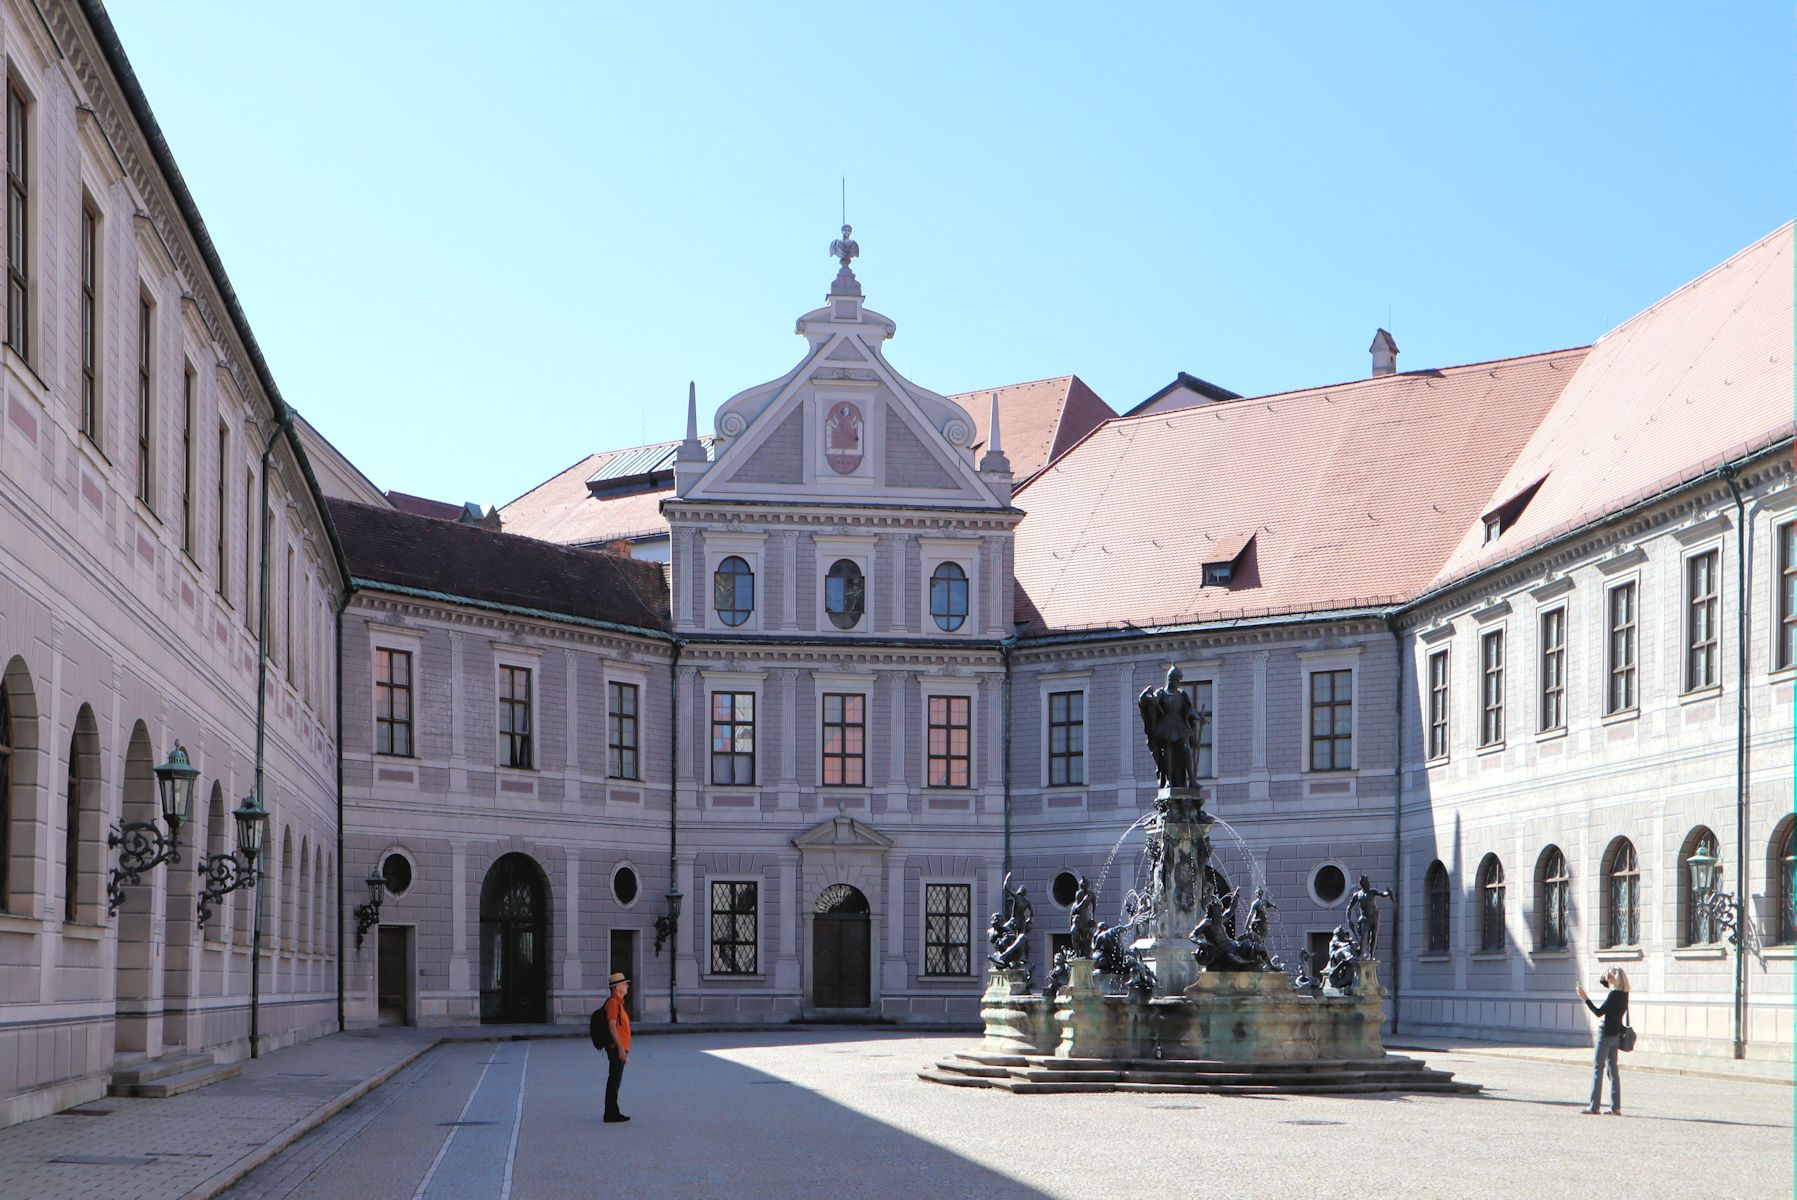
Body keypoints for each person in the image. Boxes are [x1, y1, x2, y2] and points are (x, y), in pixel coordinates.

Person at [1577, 967, 1630, 1115]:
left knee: (1598, 1068)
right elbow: (1606, 984)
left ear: (1614, 978)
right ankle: (1616, 1107)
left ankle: (1594, 1106)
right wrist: (1605, 976)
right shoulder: (1624, 994)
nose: (1607, 979)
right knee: (1613, 1070)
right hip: (1616, 1035)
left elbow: (1599, 1012)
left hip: (1605, 1033)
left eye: (1609, 976)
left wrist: (1585, 998)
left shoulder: (1613, 995)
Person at [601, 971, 632, 1123]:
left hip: (618, 1047)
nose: (627, 986)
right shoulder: (613, 1002)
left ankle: (612, 1111)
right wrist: (620, 1049)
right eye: (624, 983)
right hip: (615, 1048)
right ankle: (610, 1113)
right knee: (614, 1080)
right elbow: (612, 1025)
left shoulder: (618, 1002)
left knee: (615, 1080)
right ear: (617, 987)